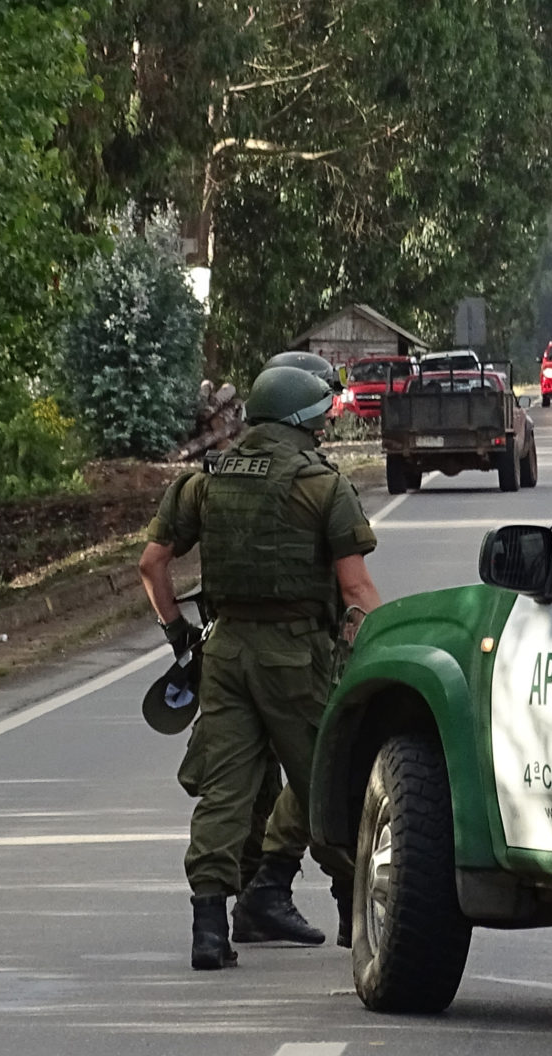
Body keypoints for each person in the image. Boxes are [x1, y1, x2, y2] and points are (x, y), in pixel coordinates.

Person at [138, 359, 380, 969]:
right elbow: (355, 590)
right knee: (327, 779)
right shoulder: (323, 485)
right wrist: (379, 650)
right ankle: (355, 913)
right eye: (321, 418)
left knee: (224, 789)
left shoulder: (206, 481)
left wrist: (177, 634)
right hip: (296, 655)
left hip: (223, 652)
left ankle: (209, 929)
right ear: (304, 419)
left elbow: (152, 563)